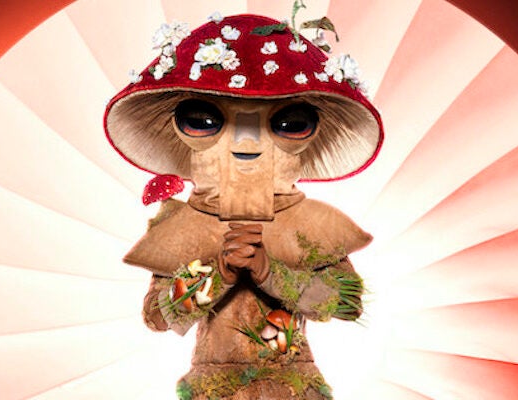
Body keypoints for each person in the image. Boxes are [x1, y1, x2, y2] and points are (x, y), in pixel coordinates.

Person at [104, 11, 383, 399]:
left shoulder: (312, 224)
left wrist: (273, 273)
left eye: (291, 123)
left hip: (292, 385)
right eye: (202, 121)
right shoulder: (181, 225)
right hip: (213, 385)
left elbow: (347, 302)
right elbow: (157, 315)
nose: (246, 142)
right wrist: (217, 273)